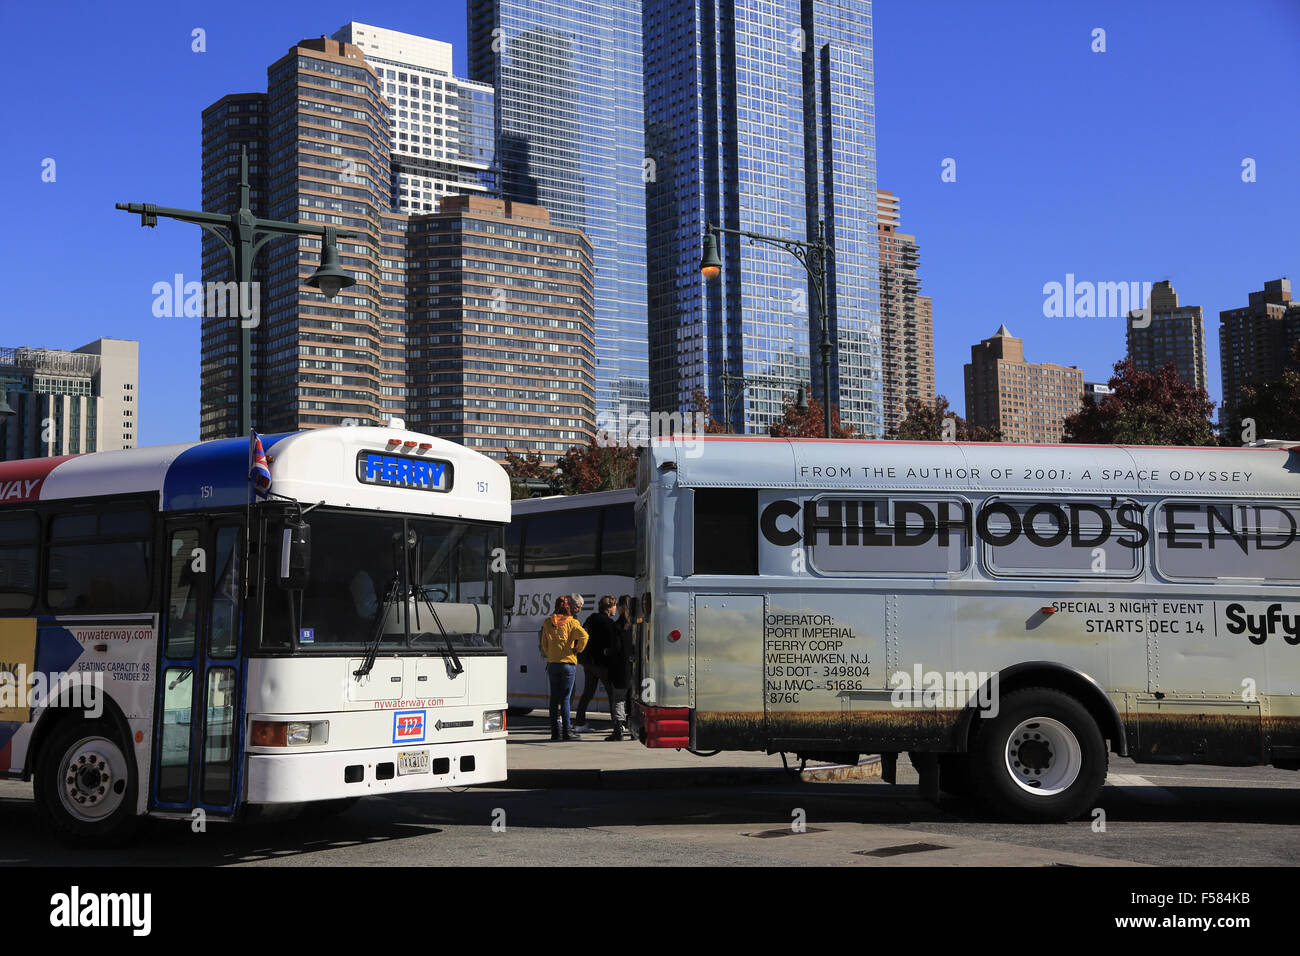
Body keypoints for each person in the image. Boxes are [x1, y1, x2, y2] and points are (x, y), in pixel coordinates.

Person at [540, 595, 589, 740]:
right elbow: (585, 636)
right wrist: (577, 649)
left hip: (553, 664)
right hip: (568, 664)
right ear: (568, 607)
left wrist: (551, 654)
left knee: (554, 699)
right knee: (565, 699)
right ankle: (567, 731)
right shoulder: (572, 623)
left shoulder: (548, 623)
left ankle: (555, 732)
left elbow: (544, 644)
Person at [579, 596, 625, 739]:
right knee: (613, 693)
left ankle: (579, 722)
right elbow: (612, 645)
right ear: (609, 607)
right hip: (602, 664)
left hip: (588, 662)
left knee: (588, 693)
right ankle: (617, 724)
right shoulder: (609, 623)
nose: (615, 609)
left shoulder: (591, 618)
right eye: (614, 606)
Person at [614, 594, 635, 734]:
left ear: (621, 607)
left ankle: (619, 729)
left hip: (621, 668)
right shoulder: (636, 625)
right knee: (633, 699)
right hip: (636, 668)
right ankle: (633, 729)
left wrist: (607, 652)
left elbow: (615, 648)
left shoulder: (617, 626)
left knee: (619, 698)